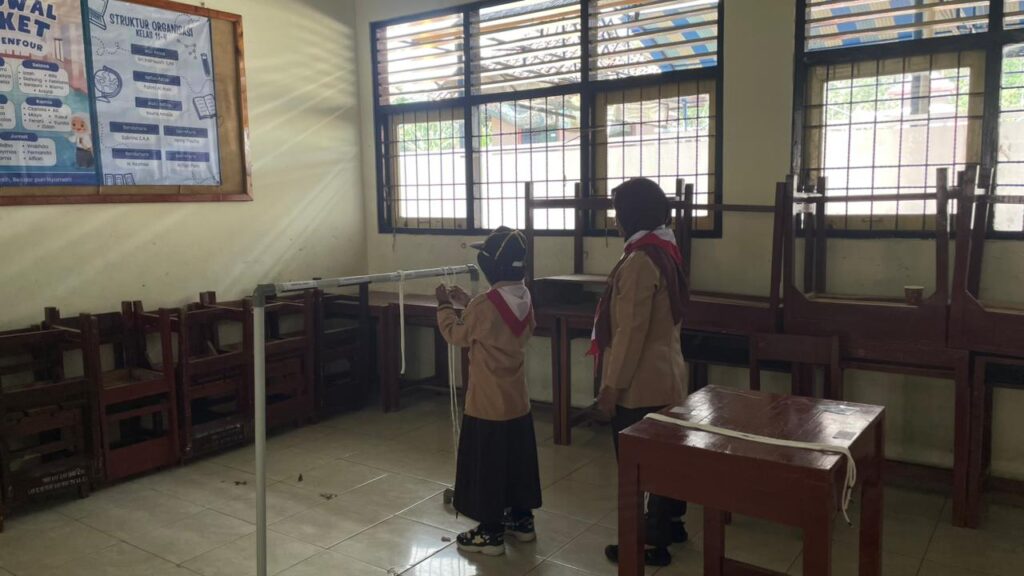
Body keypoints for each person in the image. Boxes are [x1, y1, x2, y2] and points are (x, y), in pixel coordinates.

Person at [590, 178, 689, 567]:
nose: (615, 221)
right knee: (666, 458)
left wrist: (611, 387)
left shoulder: (639, 262)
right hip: (667, 375)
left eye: (618, 213)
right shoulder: (665, 248)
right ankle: (672, 524)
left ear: (632, 215)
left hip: (641, 383)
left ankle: (649, 542)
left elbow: (630, 333)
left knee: (640, 467)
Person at [436, 226, 541, 557]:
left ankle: (491, 533)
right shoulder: (525, 297)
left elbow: (458, 334)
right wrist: (467, 302)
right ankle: (522, 522)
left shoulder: (484, 305)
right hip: (517, 402)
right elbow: (496, 320)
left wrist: (444, 307)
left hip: (487, 403)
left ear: (491, 265)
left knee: (489, 465)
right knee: (516, 462)